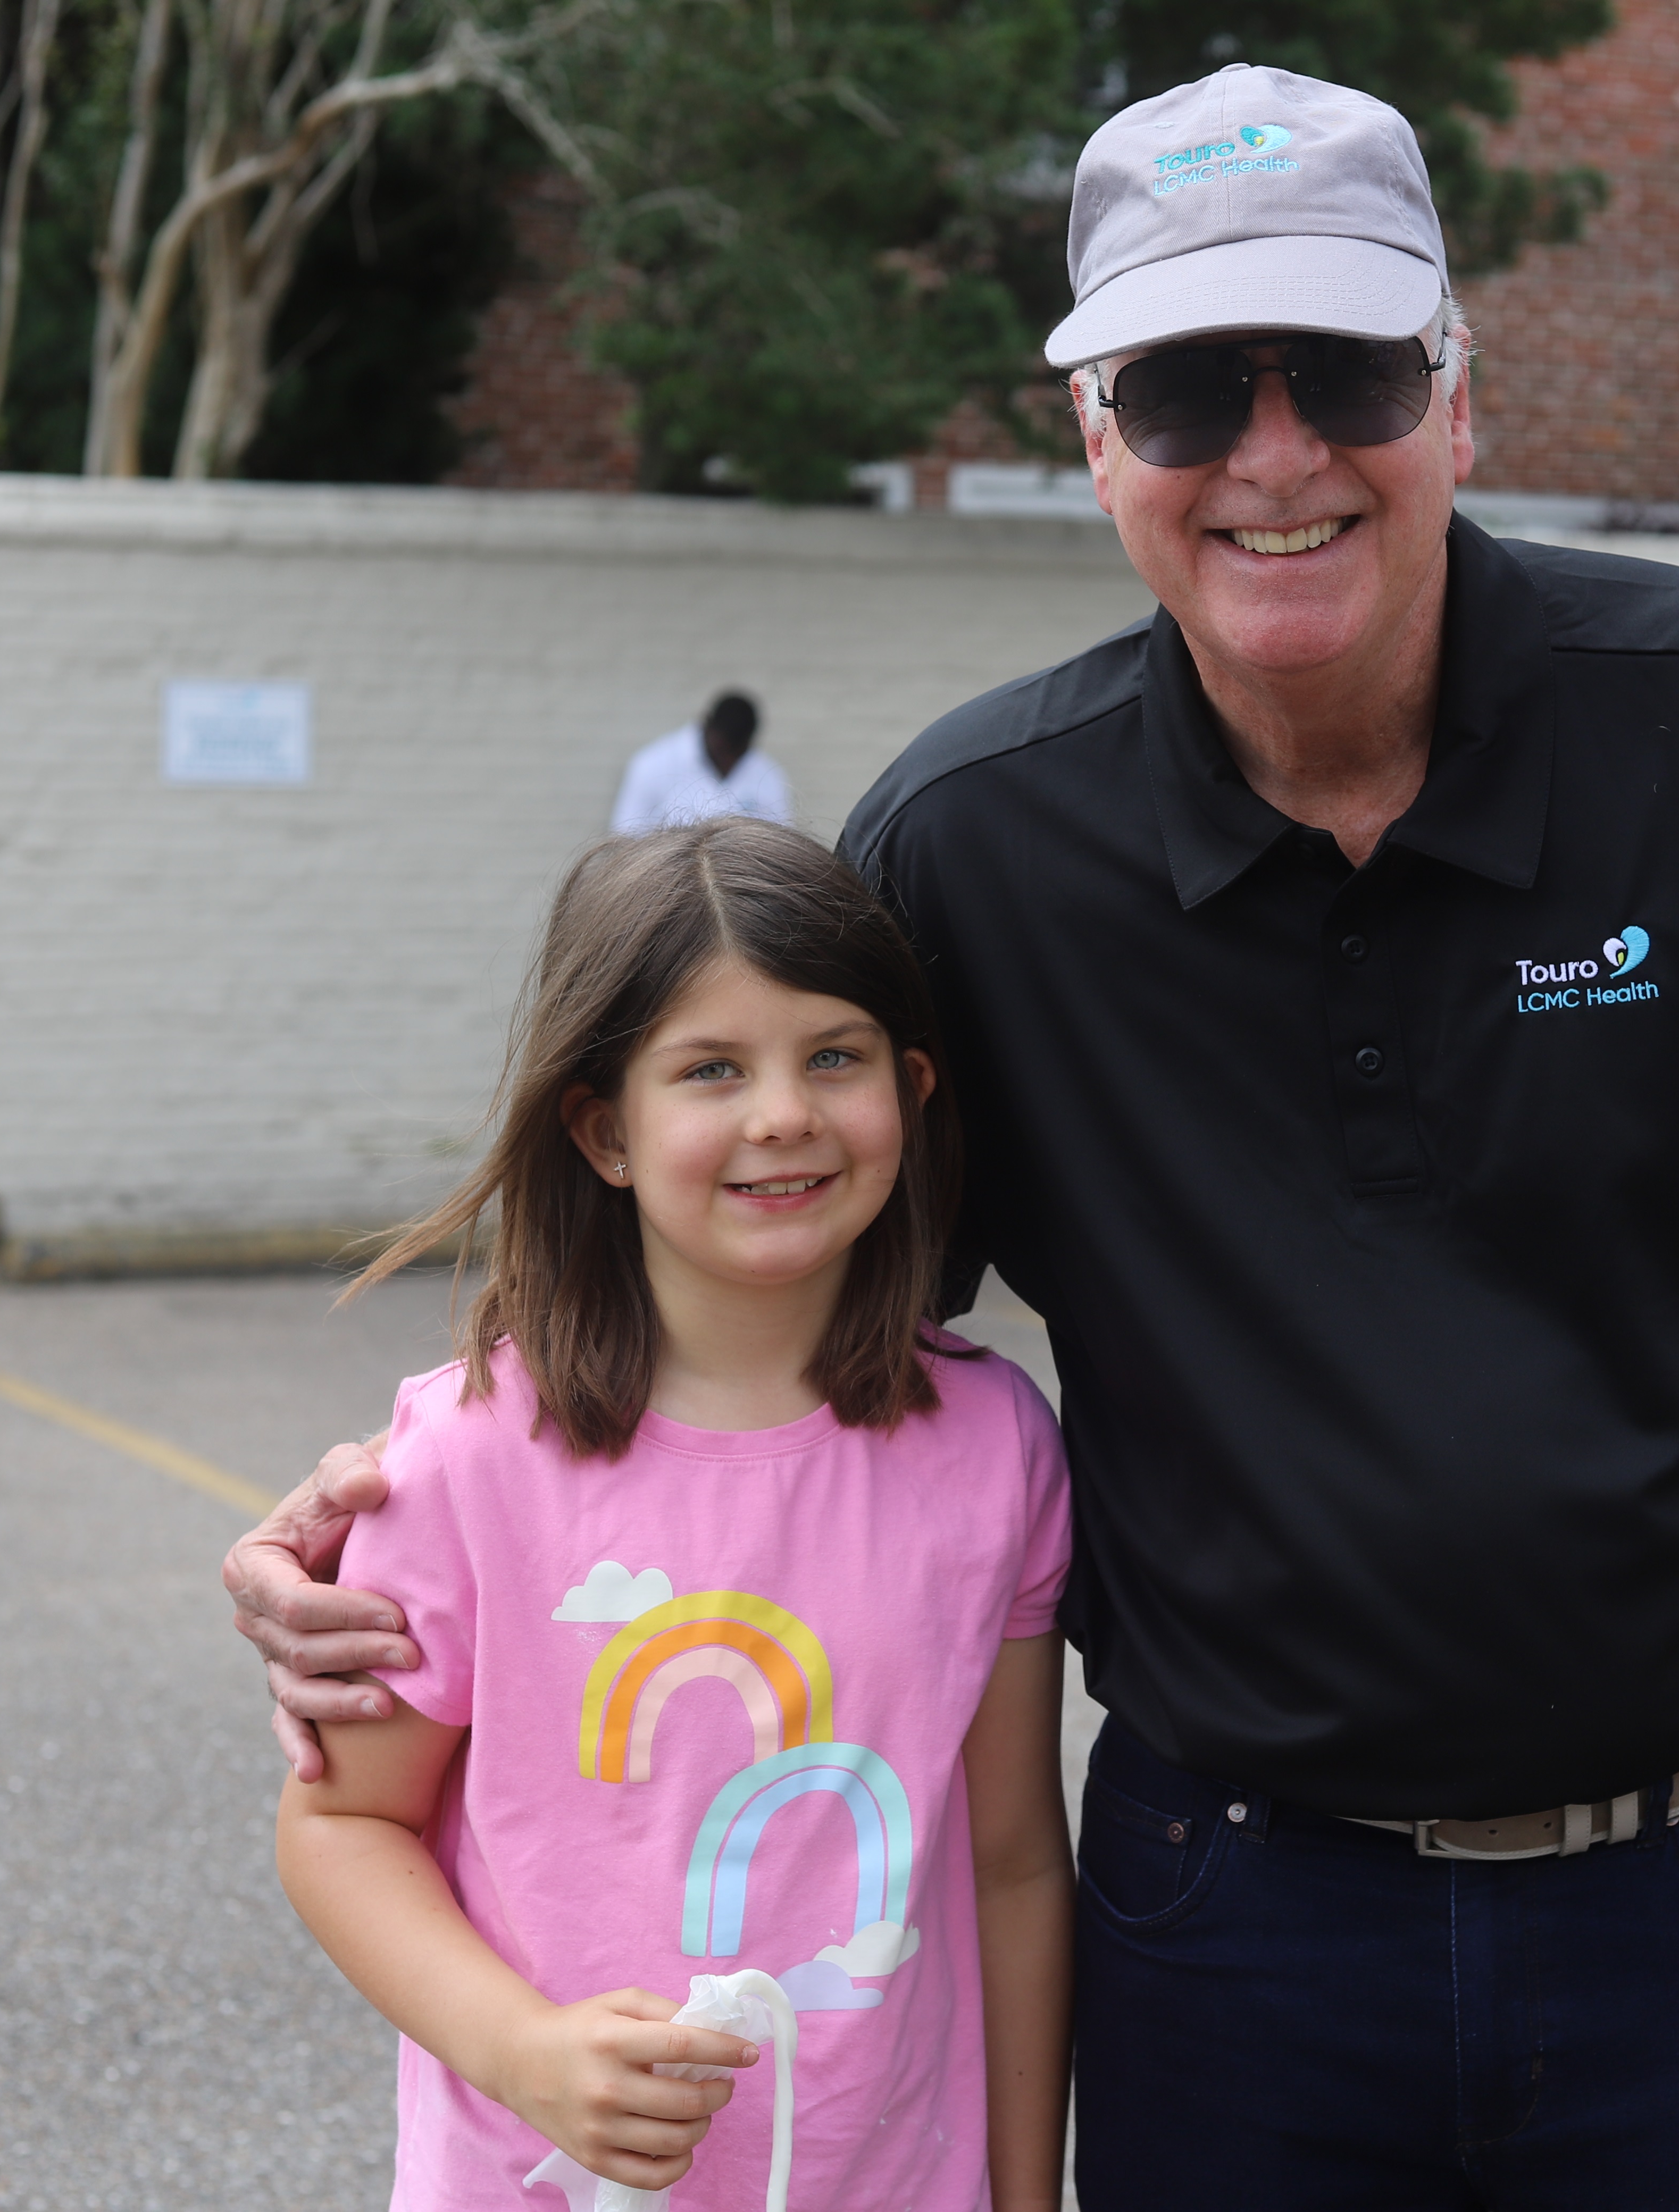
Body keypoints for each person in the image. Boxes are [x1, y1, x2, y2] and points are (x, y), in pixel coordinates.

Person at [233, 65, 1679, 2208]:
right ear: (1098, 443)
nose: (1273, 454)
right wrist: (421, 1482)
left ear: (1459, 397)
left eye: (1345, 369)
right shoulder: (975, 852)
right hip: (1234, 1929)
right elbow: (770, 1283)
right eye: (1182, 391)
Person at [270, 819, 1074, 2210]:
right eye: (713, 1069)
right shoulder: (461, 1461)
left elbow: (1013, 1866)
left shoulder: (998, 1444)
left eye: (835, 1056)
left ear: (912, 1088)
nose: (784, 1113)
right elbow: (342, 1827)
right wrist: (522, 2054)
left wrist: (1022, 2198)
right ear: (605, 1131)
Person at [612, 690, 792, 836]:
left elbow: (780, 841)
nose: (728, 762)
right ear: (707, 725)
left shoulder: (768, 774)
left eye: (737, 754)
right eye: (722, 751)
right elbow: (625, 838)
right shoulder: (652, 765)